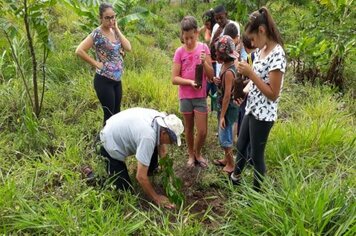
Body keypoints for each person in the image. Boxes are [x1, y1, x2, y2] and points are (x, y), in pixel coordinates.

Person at [230, 7, 287, 191]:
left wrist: (250, 73)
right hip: (252, 108)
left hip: (264, 115)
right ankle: (235, 178)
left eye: (253, 38)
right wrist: (244, 91)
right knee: (241, 144)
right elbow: (256, 82)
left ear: (262, 30)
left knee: (256, 155)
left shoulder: (277, 54)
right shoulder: (261, 51)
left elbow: (273, 93)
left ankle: (256, 195)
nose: (252, 43)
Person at [99, 107, 184, 209]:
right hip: (109, 143)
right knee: (125, 193)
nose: (171, 143)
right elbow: (140, 177)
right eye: (171, 140)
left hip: (116, 126)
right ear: (164, 133)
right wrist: (156, 198)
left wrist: (169, 180)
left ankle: (150, 170)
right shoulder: (148, 137)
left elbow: (163, 150)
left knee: (155, 145)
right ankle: (92, 176)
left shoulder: (161, 119)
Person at [75, 3, 131, 125]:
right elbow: (79, 50)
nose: (111, 20)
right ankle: (103, 143)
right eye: (107, 18)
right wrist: (95, 63)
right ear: (100, 18)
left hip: (117, 80)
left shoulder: (115, 31)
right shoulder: (97, 33)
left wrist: (117, 28)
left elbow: (128, 47)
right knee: (109, 115)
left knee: (117, 113)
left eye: (113, 17)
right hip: (104, 80)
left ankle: (114, 142)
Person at [172, 16, 214, 168]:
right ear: (182, 35)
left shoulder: (204, 48)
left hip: (200, 96)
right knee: (189, 129)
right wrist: (190, 82)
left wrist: (204, 62)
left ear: (197, 33)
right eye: (186, 38)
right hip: (185, 97)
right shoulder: (179, 52)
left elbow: (211, 75)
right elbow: (174, 78)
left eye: (191, 37)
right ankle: (191, 154)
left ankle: (198, 152)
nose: (189, 41)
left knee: (202, 131)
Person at [212, 35, 239, 174]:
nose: (215, 54)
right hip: (223, 106)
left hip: (227, 109)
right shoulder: (225, 65)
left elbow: (227, 95)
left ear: (223, 54)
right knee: (224, 134)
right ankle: (226, 159)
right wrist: (218, 81)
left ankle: (231, 165)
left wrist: (222, 116)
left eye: (217, 52)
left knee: (225, 136)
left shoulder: (229, 72)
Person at [210, 5, 241, 77]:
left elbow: (236, 44)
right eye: (216, 19)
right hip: (220, 65)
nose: (219, 21)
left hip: (231, 64)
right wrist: (216, 35)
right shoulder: (216, 27)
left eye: (221, 18)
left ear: (226, 14)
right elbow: (211, 47)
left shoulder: (234, 25)